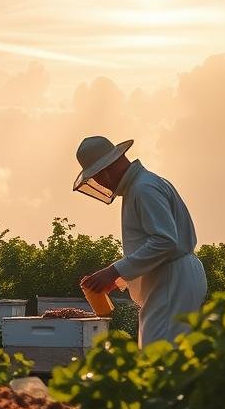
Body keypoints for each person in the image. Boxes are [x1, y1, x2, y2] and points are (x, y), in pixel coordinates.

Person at [73, 135, 207, 346]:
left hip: (172, 280)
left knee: (158, 356)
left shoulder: (143, 188)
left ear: (105, 170)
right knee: (169, 354)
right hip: (172, 278)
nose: (99, 183)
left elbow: (165, 241)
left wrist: (112, 271)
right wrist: (117, 280)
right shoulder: (142, 185)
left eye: (96, 177)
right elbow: (150, 245)